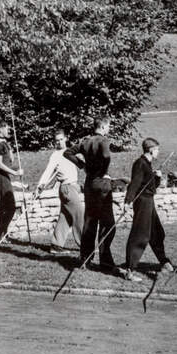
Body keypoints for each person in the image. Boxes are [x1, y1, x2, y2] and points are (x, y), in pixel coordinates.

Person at [64, 116, 117, 272]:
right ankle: (106, 262)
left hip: (89, 184)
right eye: (108, 126)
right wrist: (103, 172)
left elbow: (67, 153)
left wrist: (82, 165)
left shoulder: (85, 141)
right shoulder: (103, 141)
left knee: (90, 222)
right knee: (108, 224)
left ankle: (85, 259)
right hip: (101, 184)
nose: (109, 129)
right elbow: (106, 156)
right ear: (102, 127)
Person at [123, 137, 173, 282]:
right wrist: (128, 201)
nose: (158, 152)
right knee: (140, 235)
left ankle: (164, 262)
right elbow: (135, 184)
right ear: (151, 150)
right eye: (157, 149)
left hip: (148, 201)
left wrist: (156, 178)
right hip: (142, 202)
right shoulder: (140, 164)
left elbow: (149, 187)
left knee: (157, 233)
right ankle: (130, 270)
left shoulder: (147, 164)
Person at [35, 128, 83, 251]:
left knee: (65, 216)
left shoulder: (70, 152)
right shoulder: (55, 155)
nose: (59, 143)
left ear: (66, 138)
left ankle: (56, 245)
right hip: (67, 188)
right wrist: (40, 186)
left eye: (61, 139)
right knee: (79, 215)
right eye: (57, 141)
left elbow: (82, 165)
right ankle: (86, 246)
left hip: (73, 187)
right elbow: (48, 172)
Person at [0, 120, 23, 244]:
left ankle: (3, 234)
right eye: (7, 128)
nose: (9, 131)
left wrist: (11, 149)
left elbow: (10, 160)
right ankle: (1, 235)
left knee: (7, 207)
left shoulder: (4, 143)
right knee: (9, 206)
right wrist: (15, 173)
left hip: (4, 176)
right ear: (1, 129)